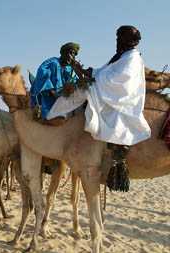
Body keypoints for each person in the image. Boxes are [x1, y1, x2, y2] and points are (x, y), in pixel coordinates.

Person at [46, 25, 151, 191]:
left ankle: (54, 118)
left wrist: (91, 81)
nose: (117, 41)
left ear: (125, 39)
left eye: (119, 38)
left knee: (77, 93)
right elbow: (103, 71)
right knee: (75, 91)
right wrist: (85, 71)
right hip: (108, 90)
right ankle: (59, 120)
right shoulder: (122, 56)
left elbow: (120, 81)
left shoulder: (132, 58)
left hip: (121, 96)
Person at [30, 42, 80, 126]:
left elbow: (74, 82)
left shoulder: (70, 69)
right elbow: (42, 73)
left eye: (74, 54)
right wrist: (53, 92)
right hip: (46, 95)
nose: (72, 56)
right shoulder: (53, 62)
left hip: (60, 97)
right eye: (70, 53)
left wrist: (77, 71)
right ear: (64, 53)